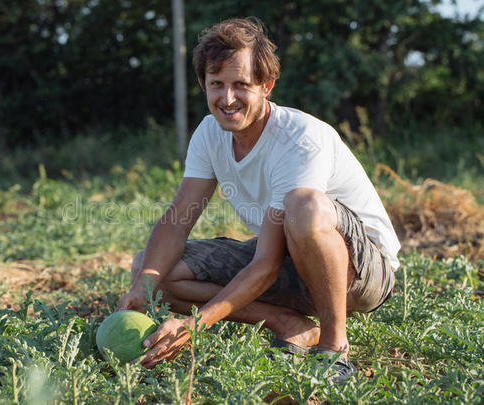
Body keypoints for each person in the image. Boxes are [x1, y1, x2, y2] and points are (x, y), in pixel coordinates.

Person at [116, 17, 400, 384]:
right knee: (150, 268)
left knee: (305, 208)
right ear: (203, 83)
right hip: (288, 258)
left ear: (266, 86)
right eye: (216, 84)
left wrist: (196, 323)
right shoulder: (208, 134)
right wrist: (144, 284)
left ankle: (333, 349)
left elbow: (265, 264)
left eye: (241, 85)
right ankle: (288, 323)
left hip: (362, 273)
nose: (227, 98)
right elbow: (177, 220)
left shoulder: (299, 137)